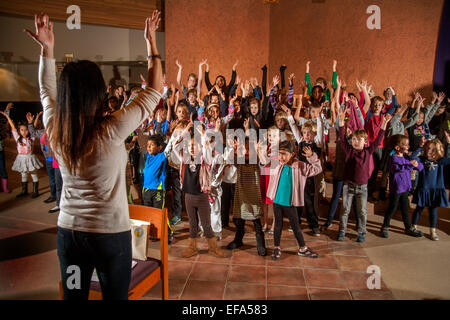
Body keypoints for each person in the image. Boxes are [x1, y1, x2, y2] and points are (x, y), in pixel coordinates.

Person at [26, 11, 164, 299]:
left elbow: (45, 90)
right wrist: (151, 44)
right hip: (109, 238)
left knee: (75, 297)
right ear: (96, 94)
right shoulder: (111, 128)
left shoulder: (55, 127)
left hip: (70, 234)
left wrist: (47, 51)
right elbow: (154, 91)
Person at [336, 106, 391, 242]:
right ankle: (342, 230)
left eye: (359, 140)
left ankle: (361, 231)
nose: (356, 142)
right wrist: (341, 122)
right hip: (348, 186)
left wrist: (384, 123)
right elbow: (343, 139)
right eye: (354, 139)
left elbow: (378, 140)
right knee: (345, 210)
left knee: (362, 211)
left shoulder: (368, 151)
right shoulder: (349, 151)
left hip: (362, 187)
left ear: (365, 142)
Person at [264, 140, 321, 260]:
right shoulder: (277, 163)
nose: (281, 157)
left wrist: (311, 156)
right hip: (277, 201)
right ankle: (277, 247)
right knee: (278, 225)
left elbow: (317, 169)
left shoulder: (300, 166)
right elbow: (263, 163)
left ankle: (302, 248)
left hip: (290, 203)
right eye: (279, 153)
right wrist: (265, 153)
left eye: (284, 153)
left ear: (292, 154)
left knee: (295, 226)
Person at [380, 135, 424, 238]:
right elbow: (398, 168)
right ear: (397, 147)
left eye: (408, 144)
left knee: (405, 208)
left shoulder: (406, 157)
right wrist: (410, 165)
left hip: (405, 188)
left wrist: (418, 164)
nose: (408, 146)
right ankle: (384, 227)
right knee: (392, 208)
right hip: (396, 189)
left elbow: (415, 162)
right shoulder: (393, 158)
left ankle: (408, 227)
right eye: (405, 144)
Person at [411, 135, 450, 241]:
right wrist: (420, 146)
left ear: (437, 150)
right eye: (428, 148)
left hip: (435, 190)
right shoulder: (422, 159)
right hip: (423, 189)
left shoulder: (440, 161)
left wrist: (449, 144)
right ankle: (413, 227)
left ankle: (432, 231)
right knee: (418, 209)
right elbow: (412, 157)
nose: (430, 151)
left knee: (433, 211)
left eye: (433, 149)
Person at [0, 110, 43, 198]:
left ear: (28, 131)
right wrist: (7, 117)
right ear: (19, 131)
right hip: (21, 158)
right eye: (22, 130)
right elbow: (13, 127)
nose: (24, 132)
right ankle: (24, 191)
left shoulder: (31, 138)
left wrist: (36, 118)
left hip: (30, 158)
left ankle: (36, 191)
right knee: (23, 174)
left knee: (33, 173)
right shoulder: (17, 138)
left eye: (26, 130)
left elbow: (33, 127)